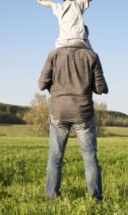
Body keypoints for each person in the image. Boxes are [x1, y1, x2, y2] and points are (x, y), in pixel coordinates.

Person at [38, 45, 109, 201]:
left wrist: (56, 87)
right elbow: (101, 88)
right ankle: (95, 200)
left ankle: (51, 198)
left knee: (55, 158)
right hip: (83, 112)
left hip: (59, 111)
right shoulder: (92, 56)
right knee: (90, 159)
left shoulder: (53, 55)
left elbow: (41, 84)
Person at [36, 0, 116, 50]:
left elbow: (49, 3)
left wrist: (39, 2)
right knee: (91, 55)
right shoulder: (77, 3)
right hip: (79, 40)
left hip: (62, 43)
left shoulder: (58, 7)